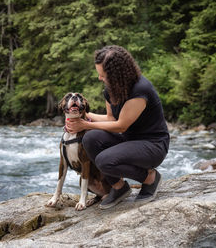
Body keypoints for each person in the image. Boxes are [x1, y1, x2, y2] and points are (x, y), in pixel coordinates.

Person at [65, 45, 169, 209]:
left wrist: (85, 124)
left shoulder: (140, 90)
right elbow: (110, 118)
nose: (100, 78)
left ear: (116, 74)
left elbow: (121, 125)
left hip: (152, 145)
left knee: (104, 160)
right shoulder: (111, 89)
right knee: (90, 138)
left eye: (103, 75)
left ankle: (150, 178)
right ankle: (119, 187)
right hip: (128, 139)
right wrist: (82, 115)